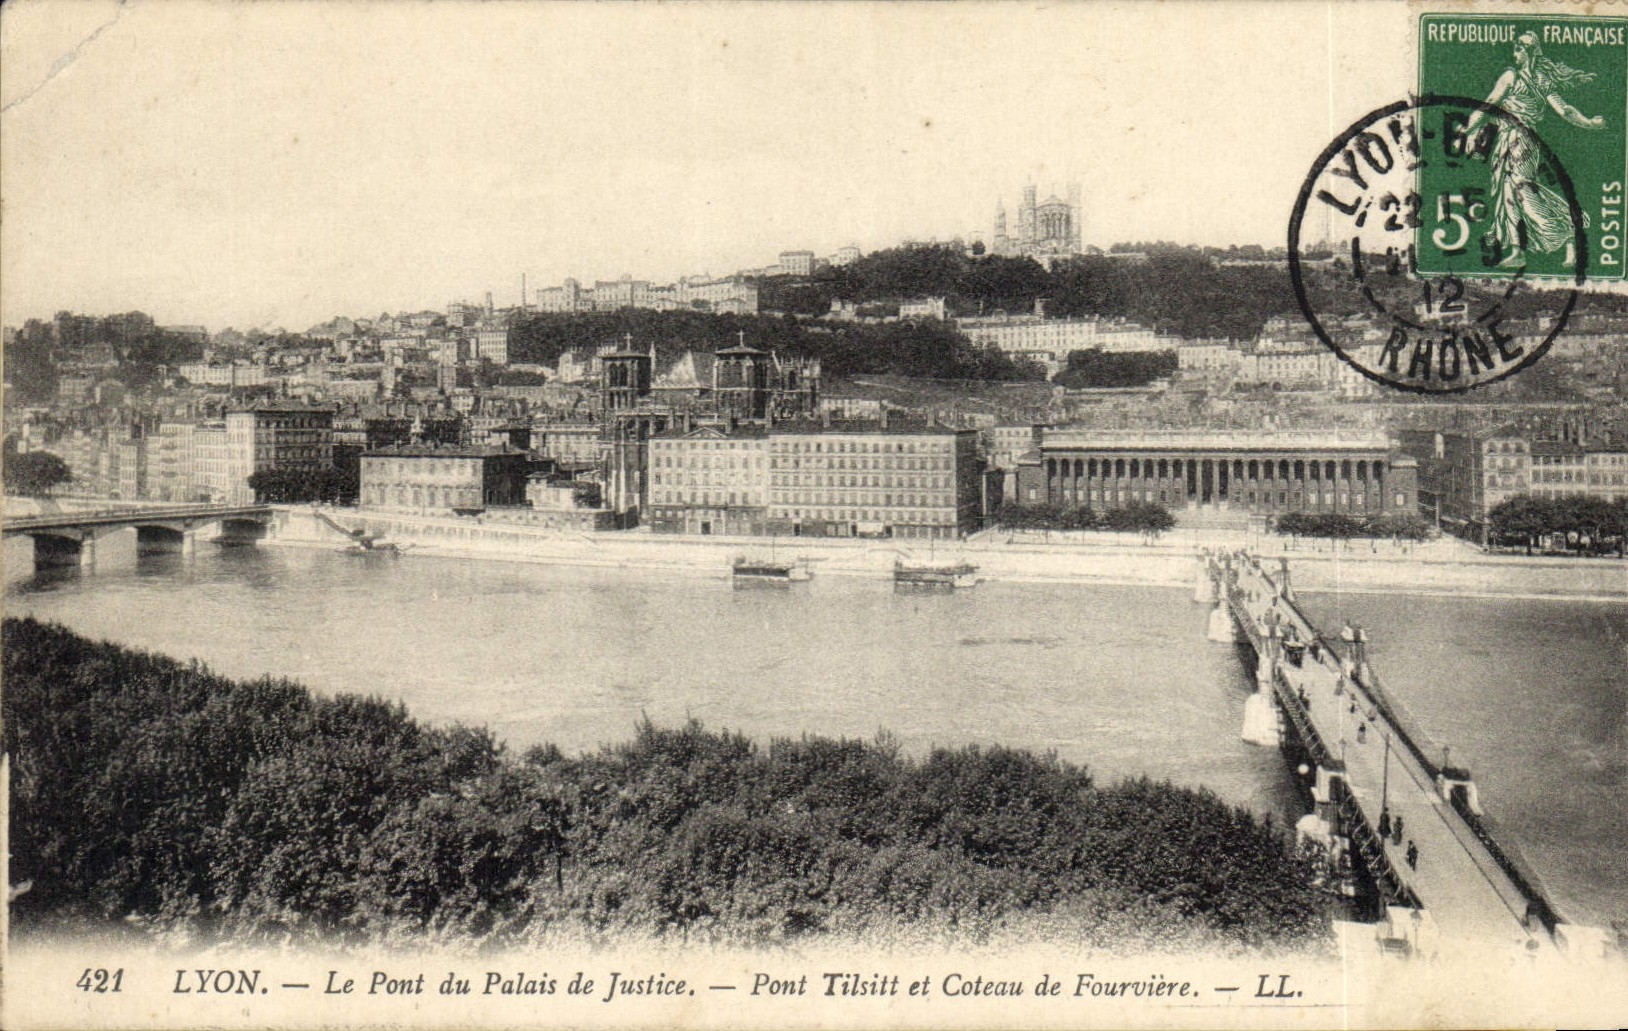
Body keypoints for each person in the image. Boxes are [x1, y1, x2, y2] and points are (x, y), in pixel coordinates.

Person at [1461, 32, 1606, 268]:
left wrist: (1467, 130)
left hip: (1522, 141)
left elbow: (1489, 104)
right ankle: (1519, 251)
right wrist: (1588, 122)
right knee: (1508, 192)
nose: (1514, 54)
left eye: (1518, 49)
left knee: (1523, 192)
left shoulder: (1514, 77)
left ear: (1527, 51)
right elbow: (1565, 110)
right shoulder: (1540, 79)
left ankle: (1568, 232)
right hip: (1508, 140)